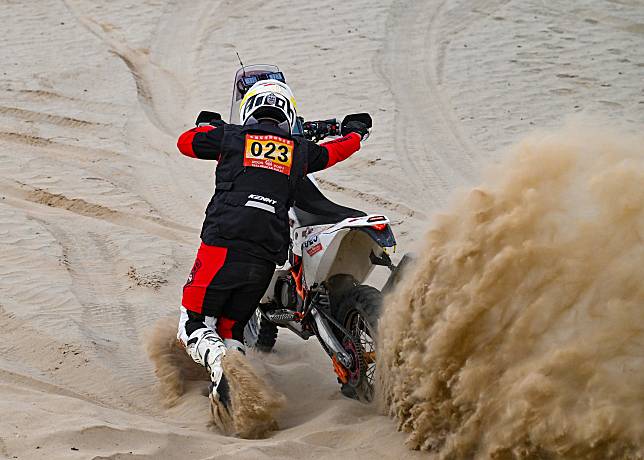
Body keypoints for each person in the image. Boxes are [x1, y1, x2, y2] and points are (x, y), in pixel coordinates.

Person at [175, 79, 370, 412]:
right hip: (265, 254)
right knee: (231, 326)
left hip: (224, 242)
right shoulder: (298, 149)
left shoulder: (232, 137)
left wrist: (209, 126)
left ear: (249, 110)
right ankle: (238, 391)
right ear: (287, 114)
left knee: (193, 323)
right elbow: (335, 151)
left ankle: (222, 368)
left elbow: (185, 144)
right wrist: (356, 134)